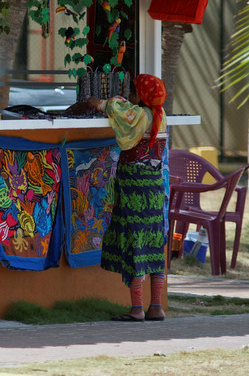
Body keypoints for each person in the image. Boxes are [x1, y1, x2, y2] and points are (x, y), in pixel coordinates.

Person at [86, 74, 168, 322]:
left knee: (134, 242)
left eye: (134, 92)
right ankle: (156, 307)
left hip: (134, 188)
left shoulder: (138, 115)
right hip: (154, 189)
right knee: (153, 241)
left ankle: (136, 309)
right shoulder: (161, 116)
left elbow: (112, 106)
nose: (131, 95)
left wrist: (96, 102)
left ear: (142, 96)